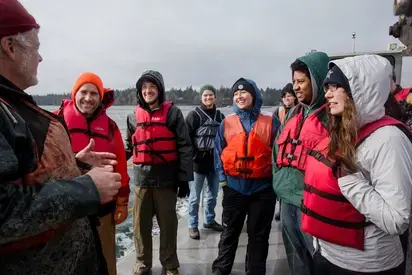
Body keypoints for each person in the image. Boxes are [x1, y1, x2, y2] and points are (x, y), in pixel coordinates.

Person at [0, 1, 122, 274]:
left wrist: (72, 165)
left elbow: (23, 174)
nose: (40, 58)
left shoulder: (15, 105)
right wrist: (86, 189)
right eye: (36, 48)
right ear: (9, 47)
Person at [301, 54, 412, 275]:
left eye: (336, 87)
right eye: (327, 87)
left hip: (367, 265)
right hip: (328, 254)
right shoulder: (344, 131)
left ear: (358, 90)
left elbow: (398, 219)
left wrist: (349, 181)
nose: (327, 93)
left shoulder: (389, 140)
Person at [54, 72, 130, 275]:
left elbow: (120, 165)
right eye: (84, 92)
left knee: (106, 263)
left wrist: (122, 200)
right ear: (74, 94)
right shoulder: (54, 121)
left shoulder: (111, 127)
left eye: (94, 94)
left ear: (101, 97)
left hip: (102, 210)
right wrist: (76, 159)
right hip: (67, 211)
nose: (88, 98)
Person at [125, 70, 193, 275]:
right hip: (141, 180)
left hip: (167, 180)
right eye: (144, 87)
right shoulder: (131, 117)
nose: (148, 91)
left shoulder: (173, 114)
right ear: (140, 91)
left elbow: (185, 146)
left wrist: (184, 178)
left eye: (152, 87)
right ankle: (142, 264)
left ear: (160, 90)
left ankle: (170, 264)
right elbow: (129, 147)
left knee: (168, 225)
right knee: (140, 226)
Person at [212, 78, 280, 275]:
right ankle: (221, 270)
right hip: (234, 188)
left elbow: (280, 154)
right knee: (229, 233)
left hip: (263, 190)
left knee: (258, 236)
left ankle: (256, 271)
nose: (239, 96)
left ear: (254, 95)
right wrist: (223, 181)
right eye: (236, 94)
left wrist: (276, 184)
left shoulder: (271, 122)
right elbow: (218, 153)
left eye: (244, 93)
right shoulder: (226, 123)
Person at [272, 51, 330, 275]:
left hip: (312, 203)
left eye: (301, 81)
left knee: (318, 258)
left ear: (316, 81)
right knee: (295, 257)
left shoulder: (332, 117)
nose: (295, 87)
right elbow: (277, 148)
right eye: (294, 81)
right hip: (286, 198)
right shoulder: (293, 112)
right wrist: (278, 181)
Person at [185, 84, 224, 240]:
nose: (208, 98)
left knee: (213, 195)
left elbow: (225, 138)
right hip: (198, 163)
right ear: (201, 98)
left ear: (215, 97)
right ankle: (192, 225)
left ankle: (209, 220)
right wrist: (195, 155)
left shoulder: (220, 116)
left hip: (214, 162)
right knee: (195, 197)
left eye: (210, 95)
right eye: (205, 95)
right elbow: (186, 138)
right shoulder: (194, 116)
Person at [273, 82, 298, 221]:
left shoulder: (300, 111)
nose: (287, 98)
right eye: (284, 96)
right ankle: (281, 209)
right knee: (281, 181)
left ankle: (289, 209)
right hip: (281, 151)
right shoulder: (278, 113)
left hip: (294, 152)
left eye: (289, 96)